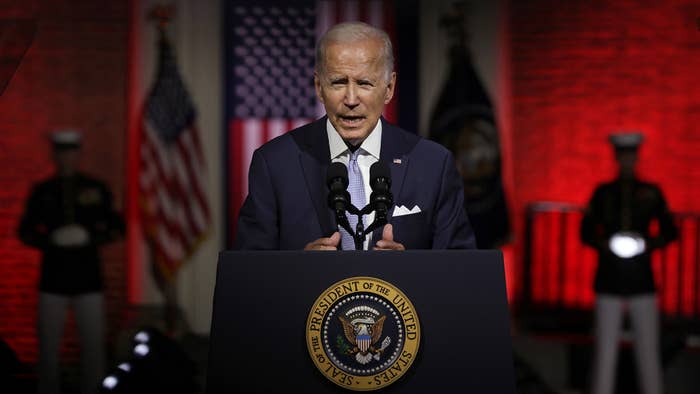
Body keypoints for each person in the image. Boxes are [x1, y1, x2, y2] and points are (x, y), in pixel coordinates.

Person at [234, 21, 475, 251]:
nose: (351, 100)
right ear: (319, 87)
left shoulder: (433, 164)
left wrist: (408, 271)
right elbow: (248, 274)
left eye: (364, 83)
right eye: (338, 83)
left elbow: (460, 269)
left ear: (389, 88)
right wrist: (299, 269)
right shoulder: (275, 163)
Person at [17, 130, 124, 394]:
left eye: (71, 151)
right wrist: (50, 240)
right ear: (55, 155)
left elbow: (116, 227)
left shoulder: (95, 188)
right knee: (48, 347)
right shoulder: (43, 191)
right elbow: (25, 231)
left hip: (88, 279)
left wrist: (90, 237)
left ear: (78, 154)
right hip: (53, 280)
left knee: (93, 347)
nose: (67, 157)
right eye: (62, 152)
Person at [580, 132, 678, 394]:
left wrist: (646, 243)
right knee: (605, 354)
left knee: (648, 353)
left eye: (631, 155)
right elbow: (586, 231)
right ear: (616, 157)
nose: (627, 160)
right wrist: (606, 243)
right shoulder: (603, 193)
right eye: (622, 155)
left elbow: (670, 231)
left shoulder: (651, 193)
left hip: (642, 280)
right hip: (609, 280)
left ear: (636, 157)